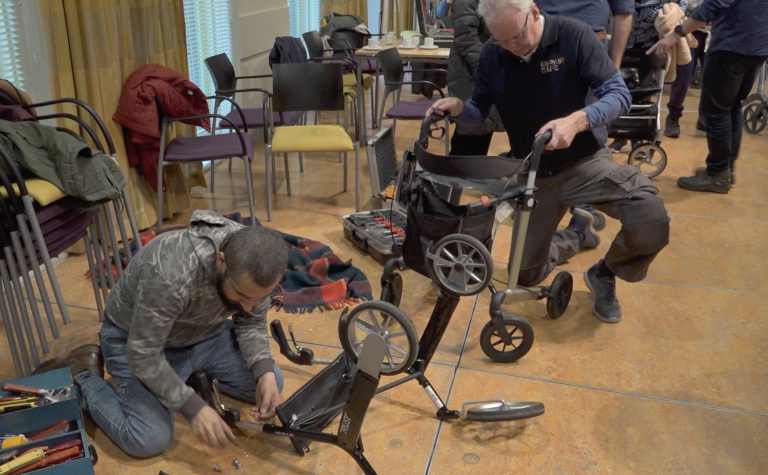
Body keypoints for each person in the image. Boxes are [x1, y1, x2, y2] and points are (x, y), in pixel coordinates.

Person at [428, 0, 670, 323]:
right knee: (525, 276)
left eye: (517, 37)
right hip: (534, 176)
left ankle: (605, 272)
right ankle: (577, 233)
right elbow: (479, 108)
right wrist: (459, 107)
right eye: (503, 41)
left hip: (586, 163)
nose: (512, 48)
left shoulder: (574, 36)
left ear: (534, 12)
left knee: (650, 217)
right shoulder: (492, 53)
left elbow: (618, 93)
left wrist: (577, 121)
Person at [33, 211, 289, 457]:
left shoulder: (251, 261)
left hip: (204, 335)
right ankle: (81, 375)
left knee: (270, 381)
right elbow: (143, 354)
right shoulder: (172, 273)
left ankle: (184, 376)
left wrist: (263, 371)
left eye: (257, 298)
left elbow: (251, 322)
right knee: (148, 438)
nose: (246, 306)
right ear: (221, 261)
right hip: (137, 342)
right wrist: (192, 407)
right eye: (241, 295)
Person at [649, 0, 768, 192]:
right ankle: (725, 168)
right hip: (757, 45)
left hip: (732, 46)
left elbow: (714, 4)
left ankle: (718, 174)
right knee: (732, 106)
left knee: (714, 112)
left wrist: (675, 35)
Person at [447, 0, 505, 157]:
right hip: (470, 73)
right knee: (470, 135)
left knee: (483, 129)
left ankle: (471, 176)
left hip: (486, 69)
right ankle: (456, 178)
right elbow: (467, 39)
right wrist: (487, 71)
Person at [535, 0, 635, 69]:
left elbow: (624, 11)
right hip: (545, 40)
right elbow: (624, 11)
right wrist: (615, 66)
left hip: (546, 39)